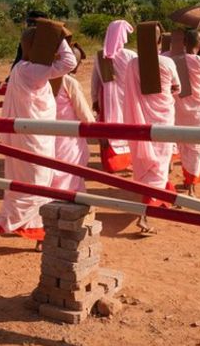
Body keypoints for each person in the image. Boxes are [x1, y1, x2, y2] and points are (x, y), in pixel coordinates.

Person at [0, 20, 77, 259]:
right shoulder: (32, 69)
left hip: (31, 137)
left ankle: (40, 236)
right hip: (33, 139)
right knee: (34, 187)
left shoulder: (20, 67)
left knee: (32, 185)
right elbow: (70, 62)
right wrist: (59, 38)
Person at [123, 22, 180, 234]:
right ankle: (144, 214)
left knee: (147, 163)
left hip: (139, 120)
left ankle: (165, 194)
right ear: (159, 41)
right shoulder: (167, 62)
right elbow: (178, 87)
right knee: (160, 162)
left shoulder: (131, 64)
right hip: (162, 120)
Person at [169, 30, 200, 197]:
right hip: (198, 110)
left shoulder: (174, 60)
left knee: (183, 145)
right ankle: (191, 184)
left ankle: (188, 179)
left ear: (184, 43)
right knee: (196, 148)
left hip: (179, 109)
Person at [90, 20, 137, 172]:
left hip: (107, 99)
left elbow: (95, 80)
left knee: (109, 128)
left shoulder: (99, 56)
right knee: (128, 128)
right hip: (127, 98)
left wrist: (95, 100)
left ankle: (111, 163)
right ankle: (127, 161)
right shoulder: (130, 55)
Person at [50, 45, 95, 191]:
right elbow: (83, 112)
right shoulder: (70, 82)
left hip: (48, 134)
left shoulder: (44, 77)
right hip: (69, 138)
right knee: (69, 172)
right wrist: (95, 128)